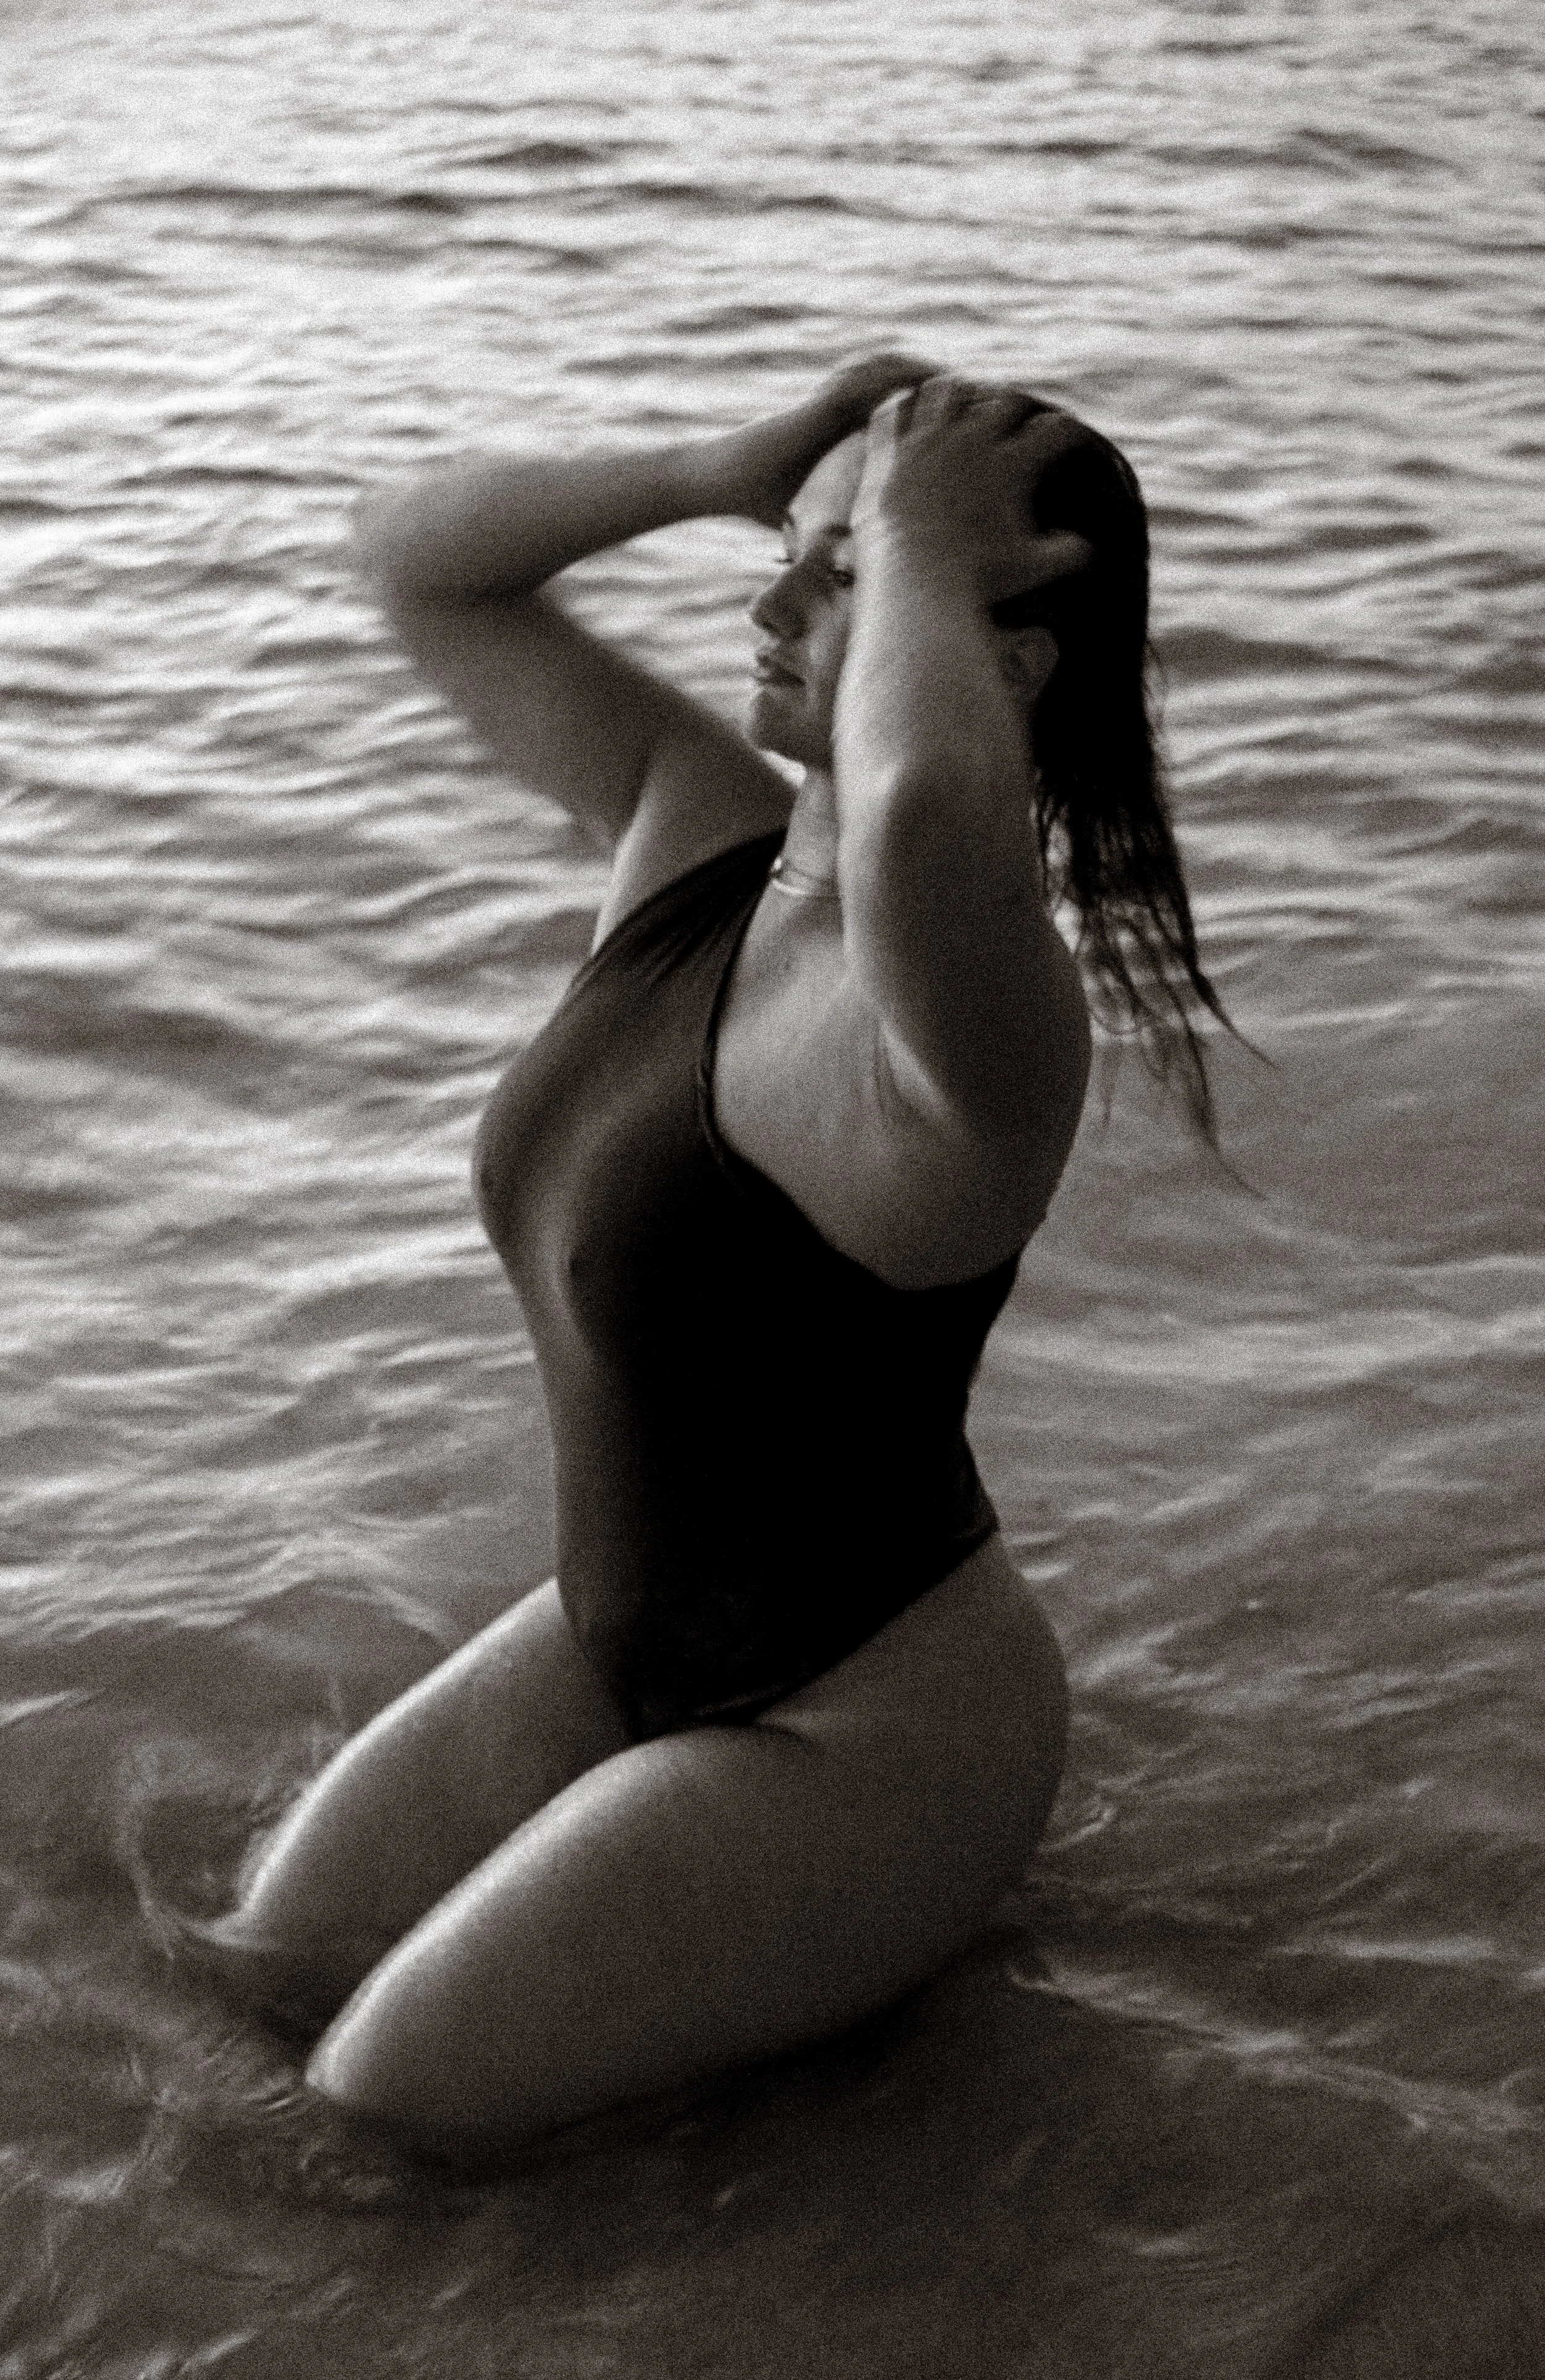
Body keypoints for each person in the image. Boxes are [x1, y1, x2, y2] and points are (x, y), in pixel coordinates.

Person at [185, 354, 1229, 2165]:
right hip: (612, 1634)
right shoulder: (695, 837)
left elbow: (923, 818)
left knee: (362, 2131)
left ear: (1007, 654)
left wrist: (915, 542)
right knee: (251, 1983)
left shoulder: (978, 1011)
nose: (772, 604)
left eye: (844, 579)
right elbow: (419, 563)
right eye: (791, 558)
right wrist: (717, 465)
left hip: (868, 1732)